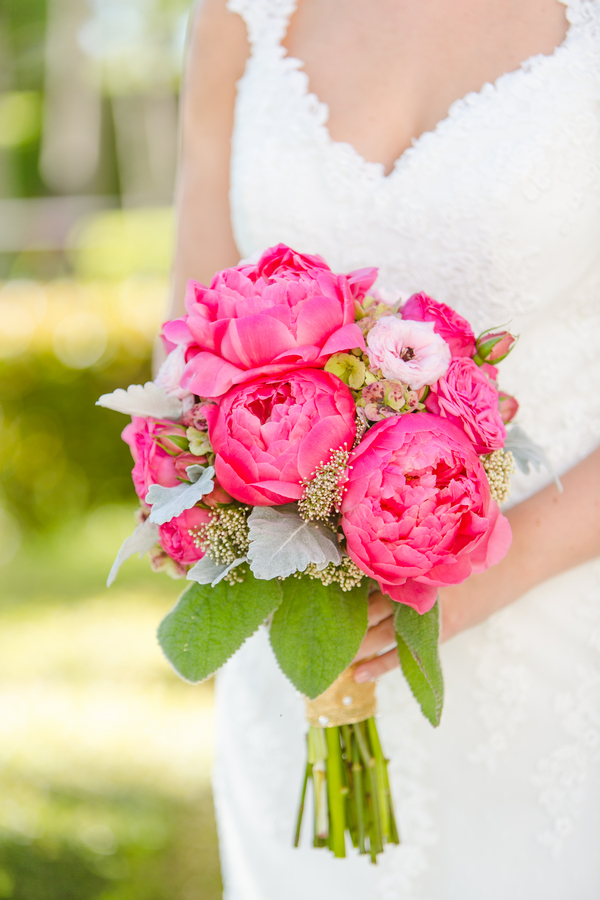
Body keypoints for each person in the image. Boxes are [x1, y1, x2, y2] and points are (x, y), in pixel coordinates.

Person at [167, 0, 600, 896]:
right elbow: (188, 345)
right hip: (299, 651)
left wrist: (486, 578)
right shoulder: (238, 18)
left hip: (554, 630)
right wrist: (240, 499)